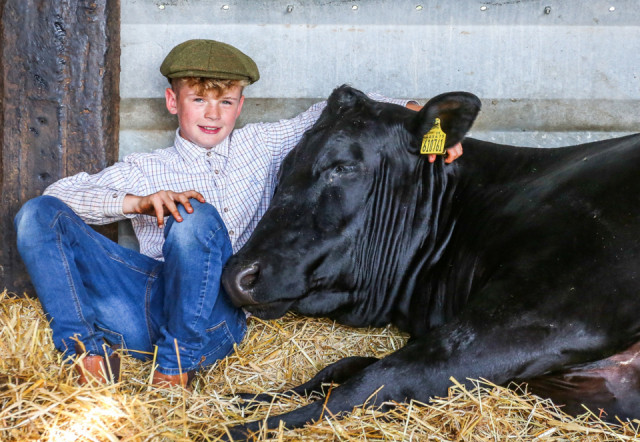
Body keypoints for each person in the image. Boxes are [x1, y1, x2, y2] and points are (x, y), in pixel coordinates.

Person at [14, 39, 462, 388]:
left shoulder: (261, 145)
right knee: (37, 213)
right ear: (173, 102)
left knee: (194, 217)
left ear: (240, 105)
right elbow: (62, 196)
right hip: (141, 308)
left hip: (213, 317)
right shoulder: (146, 168)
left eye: (225, 102)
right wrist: (138, 202)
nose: (213, 114)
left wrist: (418, 114)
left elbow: (339, 107)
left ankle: (175, 370)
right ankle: (86, 354)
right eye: (198, 101)